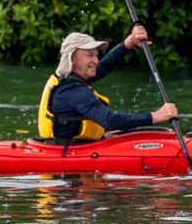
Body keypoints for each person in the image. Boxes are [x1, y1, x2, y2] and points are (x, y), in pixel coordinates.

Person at [38, 26, 180, 143]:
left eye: (96, 54)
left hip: (81, 146)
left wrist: (129, 43)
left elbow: (106, 65)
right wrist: (155, 116)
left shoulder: (73, 77)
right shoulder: (73, 91)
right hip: (70, 154)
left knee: (145, 132)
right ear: (72, 58)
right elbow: (110, 120)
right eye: (89, 55)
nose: (96, 60)